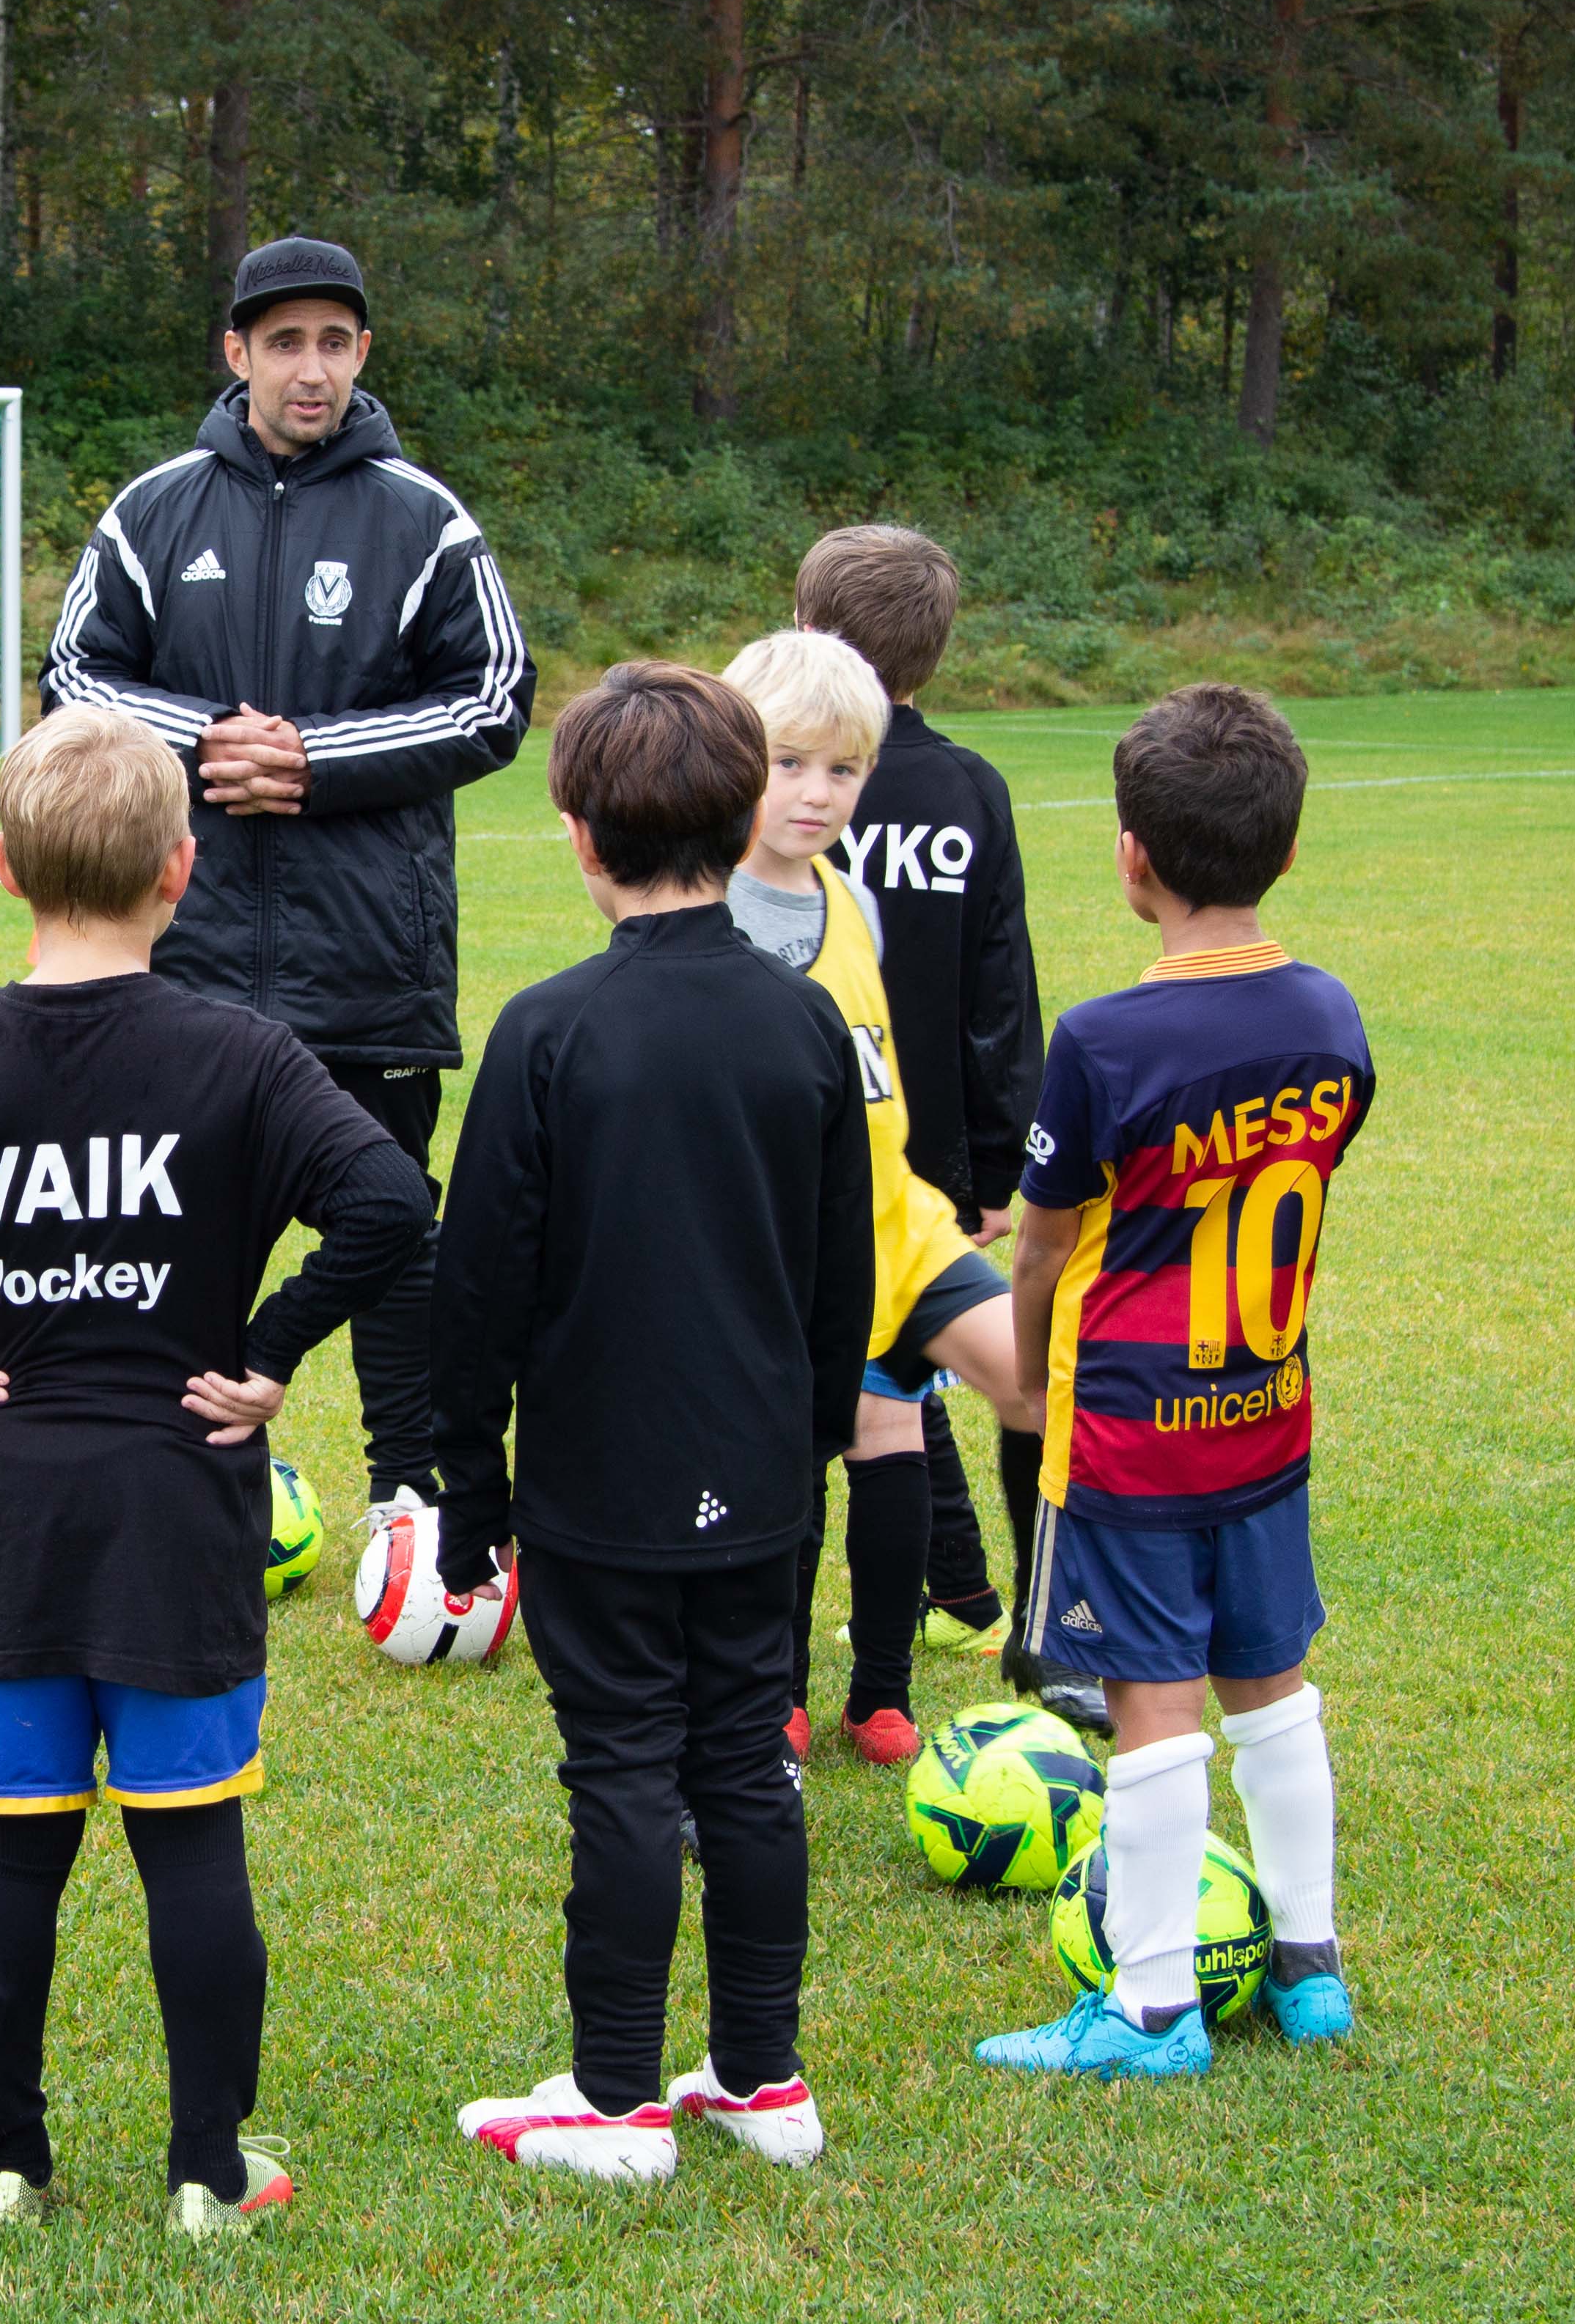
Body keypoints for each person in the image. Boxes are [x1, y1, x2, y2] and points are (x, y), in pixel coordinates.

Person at [0, 706, 427, 2237]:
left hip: (7, 1509)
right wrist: (273, 1346)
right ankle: (208, 2171)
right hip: (176, 1502)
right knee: (192, 1849)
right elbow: (391, 1195)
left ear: (2, 867)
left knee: (11, 1849)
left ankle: (6, 2167)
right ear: (183, 873)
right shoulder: (241, 1053)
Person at [433, 662, 872, 2181]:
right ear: (749, 812)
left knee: (625, 1764)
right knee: (745, 1764)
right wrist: (801, 1450)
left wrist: (463, 1494)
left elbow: (473, 1290)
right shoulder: (805, 1028)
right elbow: (841, 1286)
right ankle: (763, 2080)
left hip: (602, 1487)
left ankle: (619, 2099)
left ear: (575, 832)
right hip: (756, 1481)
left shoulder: (549, 1034)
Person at [40, 235, 530, 1507]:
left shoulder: (425, 519)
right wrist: (209, 742)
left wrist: (311, 757)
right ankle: (177, 1469)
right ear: (236, 352)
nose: (306, 370)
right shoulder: (151, 510)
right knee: (177, 1229)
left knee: (385, 1226)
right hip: (185, 949)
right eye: (282, 343)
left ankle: (409, 1497)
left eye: (331, 342)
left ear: (360, 354)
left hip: (365, 954)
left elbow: (492, 699)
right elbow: (72, 681)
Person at [975, 684, 1370, 2079]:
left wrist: (1024, 1391)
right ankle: (1309, 1968)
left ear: (1130, 856)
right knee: (1272, 1683)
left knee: (1148, 1701)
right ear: (1286, 847)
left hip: (1132, 1430)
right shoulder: (1328, 1018)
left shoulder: (1100, 1040)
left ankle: (1147, 2010)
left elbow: (1037, 1253)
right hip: (1265, 1411)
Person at [717, 631, 1049, 1768]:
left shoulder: (850, 894)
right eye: (790, 763)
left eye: (844, 771)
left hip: (893, 1224)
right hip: (779, 1240)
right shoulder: (701, 907)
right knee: (802, 1459)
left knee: (1001, 1388)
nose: (818, 794)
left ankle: (899, 1685)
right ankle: (782, 1692)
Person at [791, 525, 1094, 1732]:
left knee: (850, 1410)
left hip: (816, 1164)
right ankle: (968, 1607)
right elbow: (996, 993)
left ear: (804, 636)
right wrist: (989, 1162)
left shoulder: (772, 778)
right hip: (924, 1169)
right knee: (891, 1400)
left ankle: (835, 1673)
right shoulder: (968, 789)